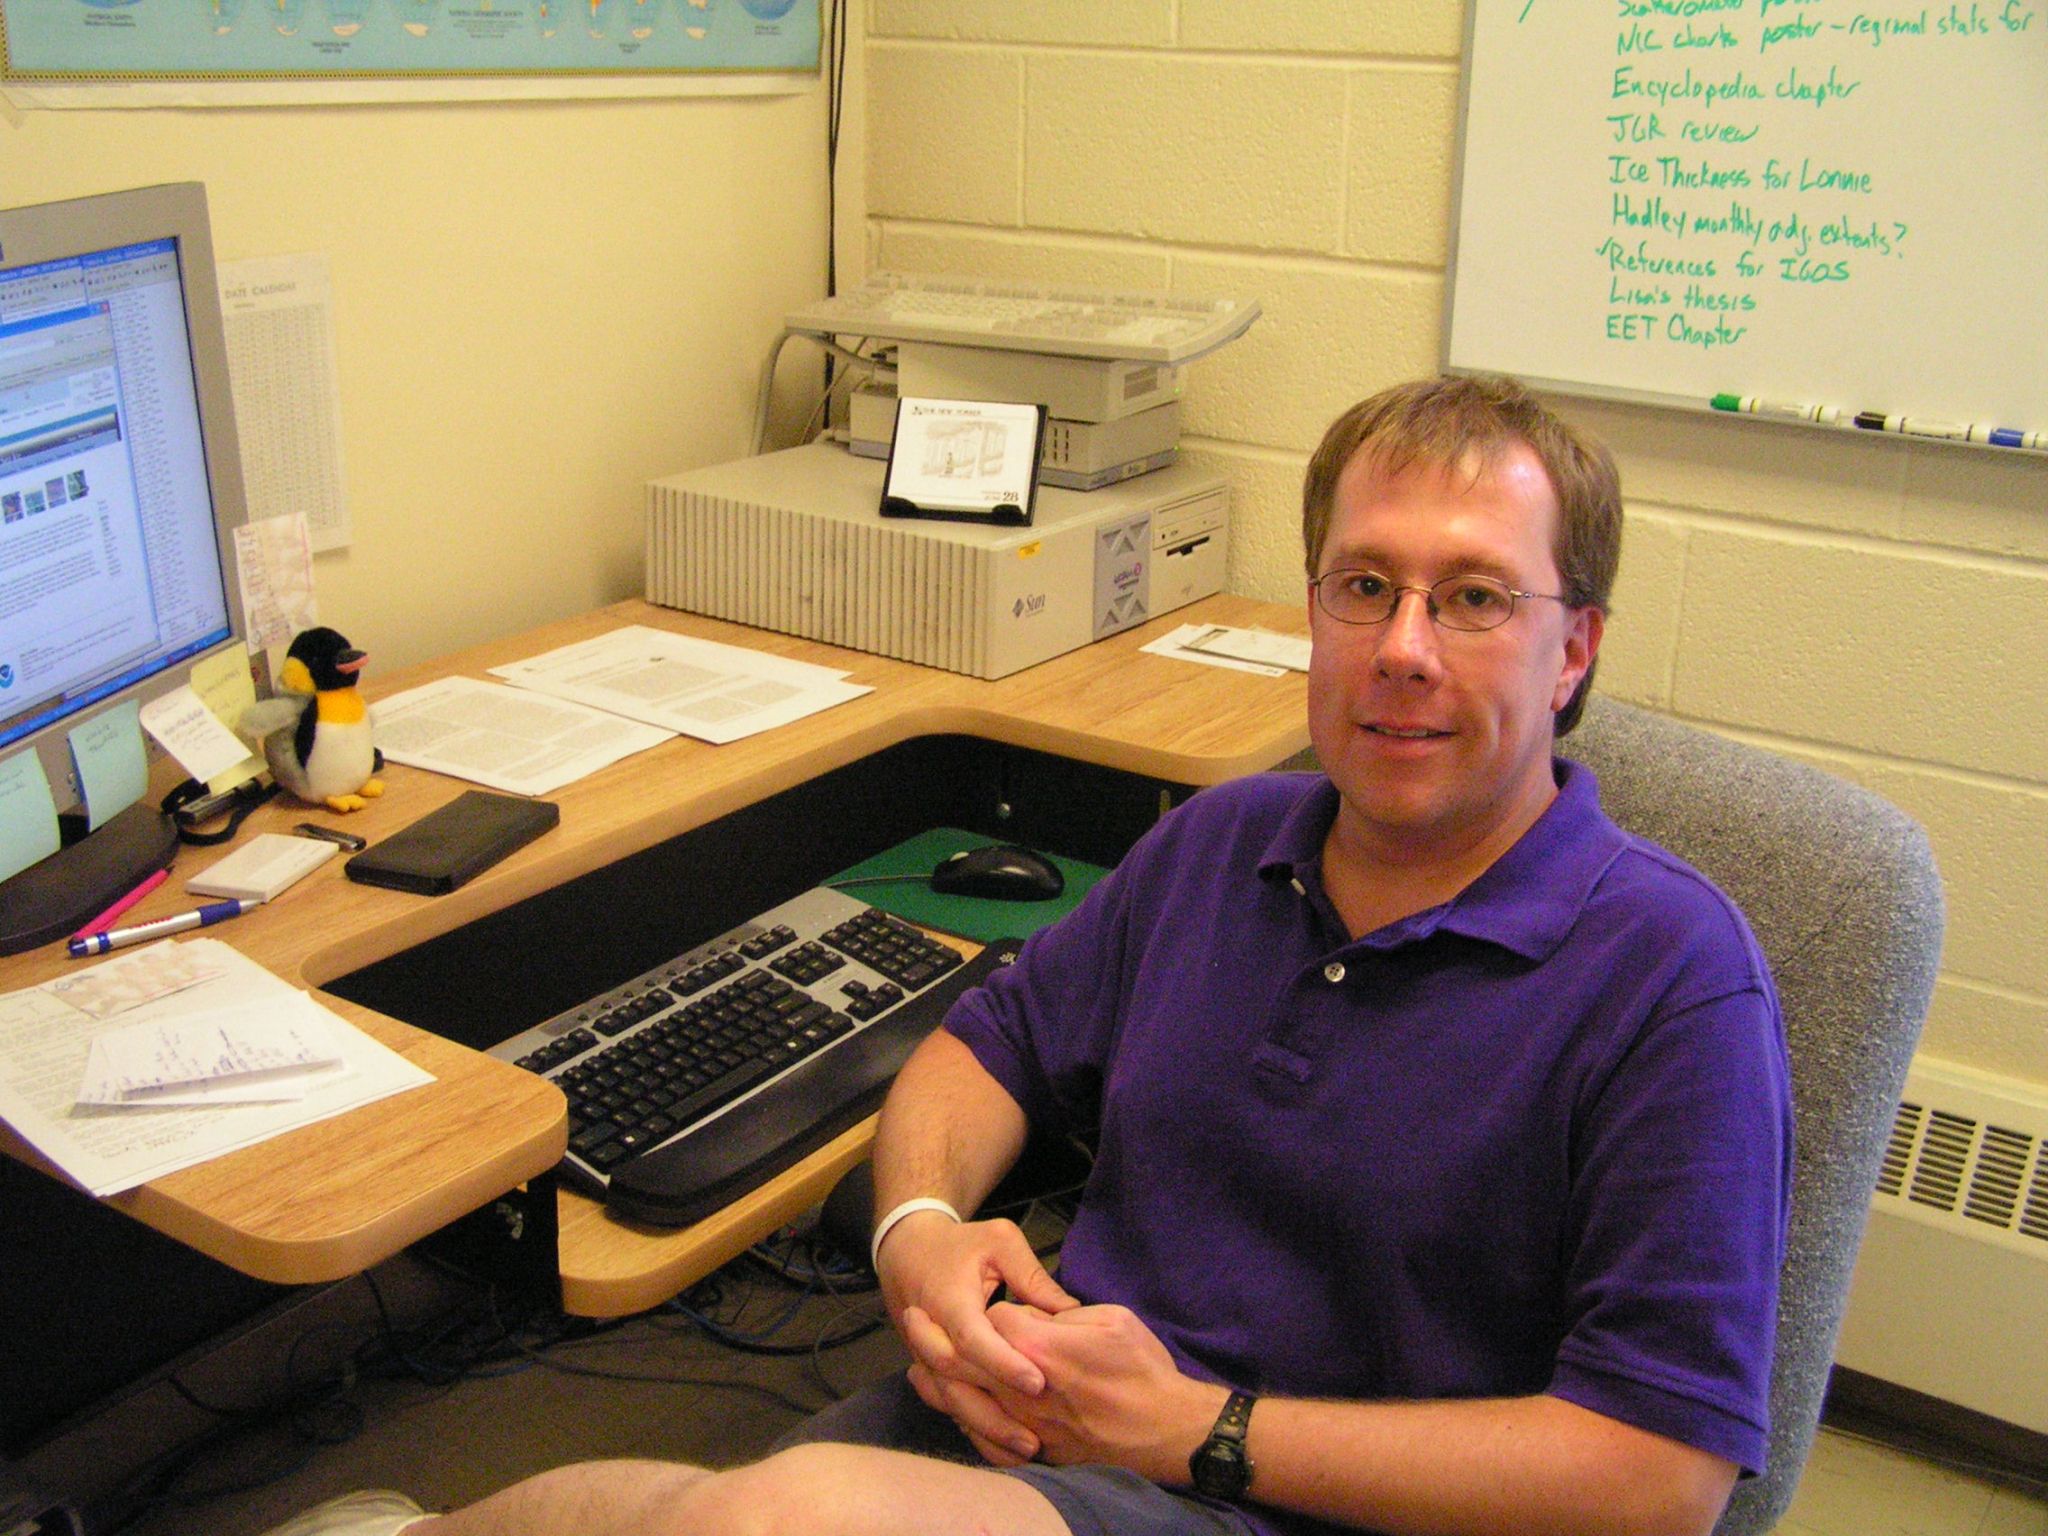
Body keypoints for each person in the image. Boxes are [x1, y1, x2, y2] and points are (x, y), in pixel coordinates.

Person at [265, 375, 1792, 1536]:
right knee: (642, 1515)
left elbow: (1658, 1473)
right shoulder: (1224, 844)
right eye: (1364, 585)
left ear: (1573, 647)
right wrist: (918, 1225)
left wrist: (1200, 1429)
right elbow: (982, 1046)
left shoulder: (1670, 979)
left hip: (1306, 1502)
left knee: (763, 1521)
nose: (1402, 646)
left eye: (1473, 600)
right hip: (1049, 1432)